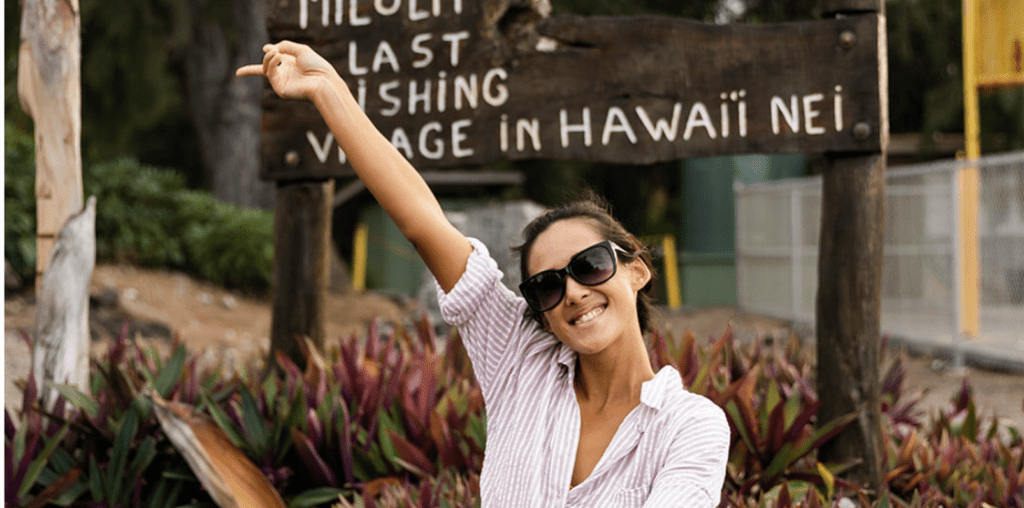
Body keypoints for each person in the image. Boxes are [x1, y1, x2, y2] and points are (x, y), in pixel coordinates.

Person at [238, 41, 730, 507]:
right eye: (548, 285)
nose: (575, 293)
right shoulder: (518, 359)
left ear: (637, 271)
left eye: (591, 265)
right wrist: (328, 90)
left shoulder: (690, 425)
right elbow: (421, 222)